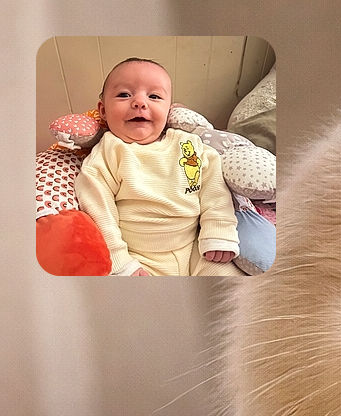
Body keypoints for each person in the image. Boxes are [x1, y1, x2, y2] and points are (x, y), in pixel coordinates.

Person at [75, 57, 242, 277]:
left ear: (168, 110)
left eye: (154, 96)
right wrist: (119, 260)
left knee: (227, 283)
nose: (139, 103)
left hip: (195, 248)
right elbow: (97, 207)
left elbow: (215, 189)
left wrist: (219, 230)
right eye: (125, 94)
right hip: (138, 257)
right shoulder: (109, 151)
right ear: (103, 110)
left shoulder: (187, 144)